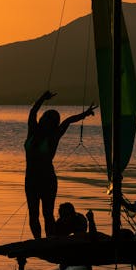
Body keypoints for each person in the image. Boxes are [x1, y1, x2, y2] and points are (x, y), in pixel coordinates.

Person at [24, 90, 96, 239]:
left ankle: (50, 240)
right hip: (30, 180)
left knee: (47, 214)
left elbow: (68, 121)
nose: (45, 120)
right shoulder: (32, 131)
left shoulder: (53, 136)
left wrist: (85, 114)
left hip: (47, 180)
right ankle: (38, 241)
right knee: (33, 214)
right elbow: (33, 111)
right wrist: (43, 98)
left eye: (50, 120)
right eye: (46, 117)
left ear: (53, 124)